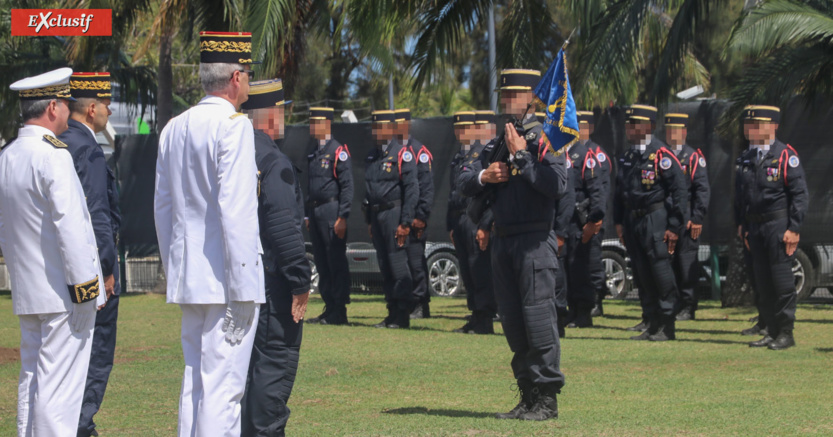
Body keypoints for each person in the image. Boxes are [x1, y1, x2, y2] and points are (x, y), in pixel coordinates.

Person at [154, 31, 264, 436]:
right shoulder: (233, 127)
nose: (249, 85)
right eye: (247, 76)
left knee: (195, 384)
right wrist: (243, 285)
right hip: (226, 281)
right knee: (224, 391)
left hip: (191, 278)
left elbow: (162, 210)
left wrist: (174, 267)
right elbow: (236, 212)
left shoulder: (173, 128)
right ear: (235, 78)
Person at [0, 67, 105, 436]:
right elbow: (71, 227)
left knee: (32, 382)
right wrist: (87, 290)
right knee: (58, 394)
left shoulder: (8, 154)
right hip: (64, 295)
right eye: (64, 104)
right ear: (53, 108)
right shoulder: (52, 155)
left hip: (29, 291)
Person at [459, 69, 567, 421]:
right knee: (513, 324)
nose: (506, 99)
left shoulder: (546, 138)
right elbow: (464, 181)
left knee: (538, 323)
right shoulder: (496, 142)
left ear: (531, 98)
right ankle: (527, 395)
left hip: (534, 243)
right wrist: (483, 176)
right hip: (503, 244)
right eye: (503, 93)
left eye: (513, 94)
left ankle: (546, 402)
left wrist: (522, 156)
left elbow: (557, 184)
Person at [240, 78, 312, 436]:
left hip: (237, 280)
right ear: (271, 116)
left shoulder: (231, 151)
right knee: (274, 364)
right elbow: (284, 226)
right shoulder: (270, 158)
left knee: (247, 370)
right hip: (272, 281)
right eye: (282, 111)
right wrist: (300, 280)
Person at [54, 71, 120, 437]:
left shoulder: (59, 143)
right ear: (91, 108)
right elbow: (98, 215)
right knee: (95, 353)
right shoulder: (88, 149)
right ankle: (82, 425)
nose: (109, 111)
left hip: (62, 272)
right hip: (94, 272)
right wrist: (107, 268)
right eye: (106, 105)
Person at [735, 105, 808, 350]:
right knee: (763, 281)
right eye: (750, 125)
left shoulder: (786, 156)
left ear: (774, 126)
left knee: (781, 281)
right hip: (754, 227)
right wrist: (743, 225)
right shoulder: (746, 158)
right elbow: (741, 196)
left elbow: (799, 195)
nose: (752, 129)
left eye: (759, 125)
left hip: (778, 226)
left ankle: (786, 333)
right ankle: (770, 329)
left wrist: (794, 228)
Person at [613, 104, 688, 341]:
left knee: (660, 272)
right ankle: (652, 322)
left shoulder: (662, 155)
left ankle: (667, 325)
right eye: (628, 123)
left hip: (655, 218)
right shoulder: (628, 157)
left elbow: (679, 192)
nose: (630, 128)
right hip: (633, 220)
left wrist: (674, 227)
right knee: (642, 273)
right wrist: (618, 222)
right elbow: (619, 191)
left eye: (635, 124)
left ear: (650, 127)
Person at [365, 110, 419, 329]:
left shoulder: (402, 154)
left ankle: (402, 313)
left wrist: (405, 222)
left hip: (394, 214)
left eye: (382, 127)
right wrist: (369, 220)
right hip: (377, 216)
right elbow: (368, 190)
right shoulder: (372, 156)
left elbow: (411, 189)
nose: (378, 132)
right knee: (384, 265)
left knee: (397, 264)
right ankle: (391, 311)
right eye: (375, 127)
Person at [447, 111, 496, 334]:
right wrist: (450, 224)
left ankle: (485, 317)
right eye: (459, 129)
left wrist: (485, 224)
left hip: (474, 218)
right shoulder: (460, 157)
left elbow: (491, 195)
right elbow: (452, 194)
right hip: (459, 219)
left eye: (466, 128)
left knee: (480, 269)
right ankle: (476, 314)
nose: (461, 133)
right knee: (467, 270)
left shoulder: (482, 154)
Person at [305, 106, 353, 325]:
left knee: (335, 260)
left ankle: (339, 309)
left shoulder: (338, 150)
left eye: (315, 122)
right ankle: (329, 306)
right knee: (322, 262)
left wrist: (342, 216)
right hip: (315, 212)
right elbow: (310, 185)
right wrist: (307, 214)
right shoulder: (314, 152)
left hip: (331, 211)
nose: (311, 126)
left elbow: (347, 186)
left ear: (326, 124)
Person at [561, 110, 608, 329]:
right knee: (568, 268)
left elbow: (597, 192)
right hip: (566, 222)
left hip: (581, 222)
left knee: (581, 268)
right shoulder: (561, 153)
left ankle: (584, 312)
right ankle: (572, 310)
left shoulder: (586, 154)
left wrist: (593, 222)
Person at [664, 113, 710, 321]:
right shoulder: (661, 156)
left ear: (683, 132)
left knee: (685, 263)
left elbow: (702, 189)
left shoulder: (692, 158)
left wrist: (698, 217)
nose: (672, 134)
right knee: (667, 263)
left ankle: (688, 305)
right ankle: (672, 303)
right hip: (666, 217)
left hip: (688, 218)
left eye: (676, 130)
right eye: (668, 131)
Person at [394, 109, 435, 319]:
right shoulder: (391, 150)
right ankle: (406, 302)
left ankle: (421, 304)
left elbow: (426, 188)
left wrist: (421, 216)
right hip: (398, 217)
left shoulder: (418, 151)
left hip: (415, 219)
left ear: (408, 124)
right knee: (402, 264)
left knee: (416, 262)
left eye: (402, 123)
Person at [538, 111, 574, 335]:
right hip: (538, 226)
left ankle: (559, 321)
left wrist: (560, 232)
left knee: (555, 277)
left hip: (553, 228)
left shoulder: (558, 153)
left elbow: (567, 197)